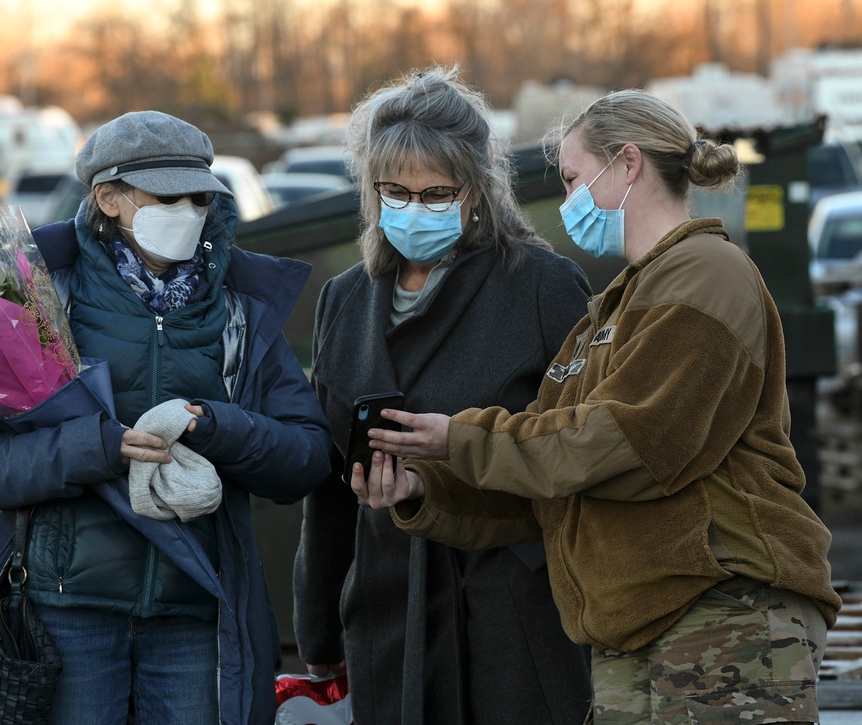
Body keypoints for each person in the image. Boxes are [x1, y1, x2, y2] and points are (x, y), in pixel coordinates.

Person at [358, 89, 844, 724]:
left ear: (629, 164)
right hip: (637, 626)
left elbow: (631, 443)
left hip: (723, 608)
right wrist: (426, 487)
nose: (566, 202)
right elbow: (552, 486)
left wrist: (460, 439)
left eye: (572, 178)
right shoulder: (612, 310)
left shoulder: (705, 274)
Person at [0, 111, 332, 725]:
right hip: (65, 615)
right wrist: (96, 447)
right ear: (109, 199)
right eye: (169, 196)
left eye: (201, 196)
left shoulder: (239, 312)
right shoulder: (35, 298)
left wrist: (215, 425)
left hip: (197, 612)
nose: (192, 210)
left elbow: (306, 456)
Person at [292, 65, 593, 724]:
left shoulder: (542, 287)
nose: (413, 207)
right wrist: (317, 630)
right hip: (387, 607)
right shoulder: (344, 300)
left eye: (435, 193)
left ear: (476, 190)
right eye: (395, 191)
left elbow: (582, 449)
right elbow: (327, 483)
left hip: (514, 611)